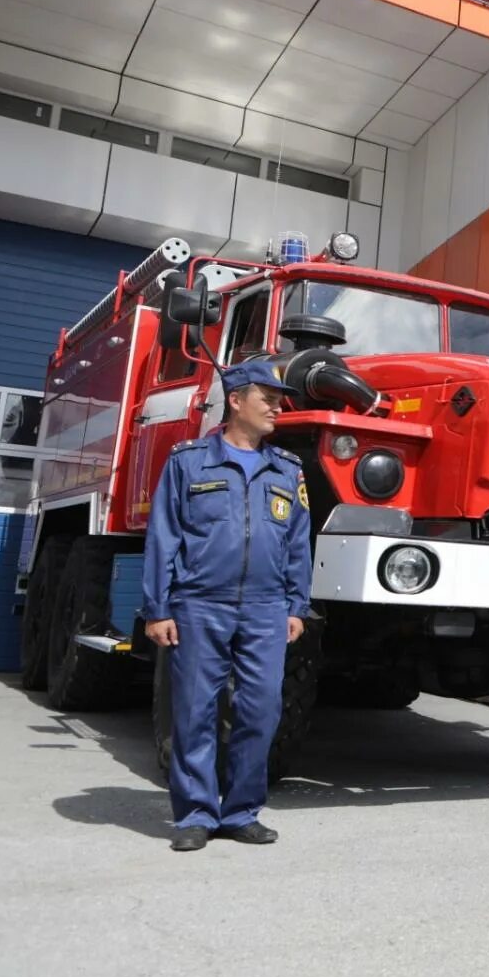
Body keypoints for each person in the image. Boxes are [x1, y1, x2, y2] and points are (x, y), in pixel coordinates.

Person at [143, 360, 311, 852]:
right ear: (235, 400)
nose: (278, 406)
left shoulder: (287, 469)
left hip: (265, 610)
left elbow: (299, 543)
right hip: (199, 605)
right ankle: (195, 814)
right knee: (194, 712)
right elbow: (164, 537)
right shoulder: (189, 462)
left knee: (260, 712)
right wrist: (157, 608)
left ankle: (240, 812)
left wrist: (296, 606)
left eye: (280, 398)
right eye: (268, 397)